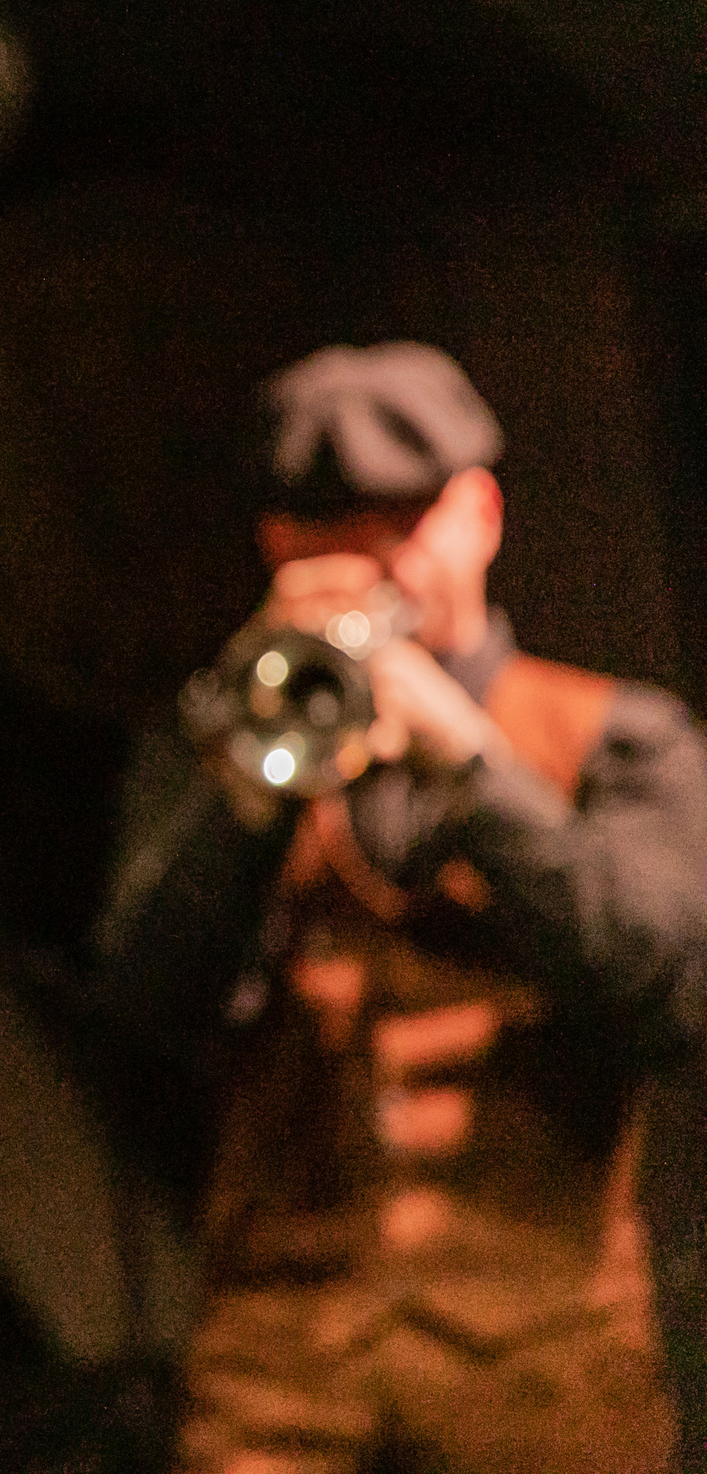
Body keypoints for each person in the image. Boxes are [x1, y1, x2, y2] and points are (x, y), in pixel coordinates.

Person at [93, 342, 707, 1474]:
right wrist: (248, 790)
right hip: (278, 1379)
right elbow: (138, 1014)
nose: (371, 559)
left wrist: (469, 765)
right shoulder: (215, 745)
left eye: (402, 520)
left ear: (479, 513)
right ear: (277, 544)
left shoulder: (624, 738)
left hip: (547, 1371)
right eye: (328, 525)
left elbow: (656, 996)